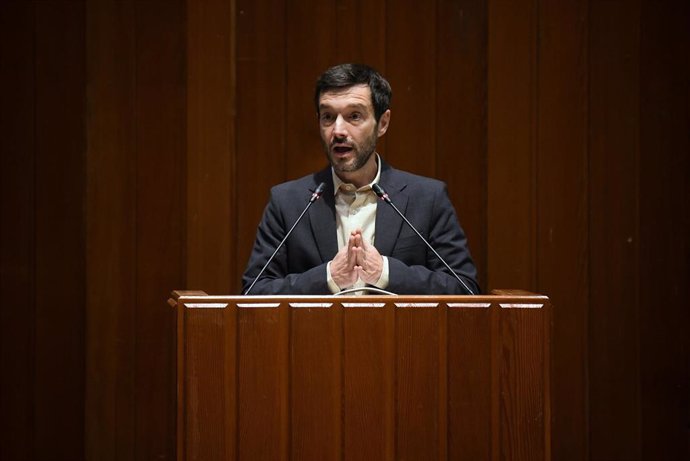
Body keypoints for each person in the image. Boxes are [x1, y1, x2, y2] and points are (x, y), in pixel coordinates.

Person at [242, 63, 479, 295]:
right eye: (327, 117)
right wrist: (328, 277)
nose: (338, 131)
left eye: (354, 116)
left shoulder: (428, 199)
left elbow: (465, 289)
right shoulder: (287, 203)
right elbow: (254, 291)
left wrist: (385, 272)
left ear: (382, 123)